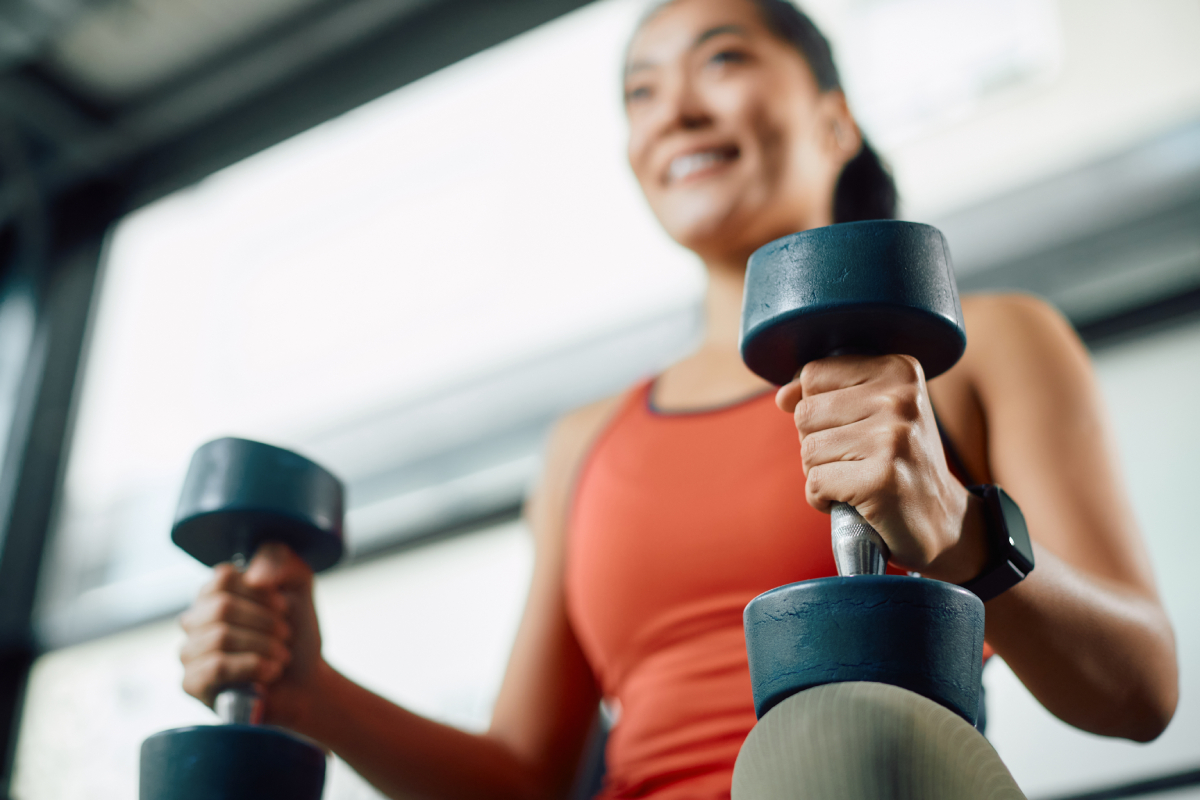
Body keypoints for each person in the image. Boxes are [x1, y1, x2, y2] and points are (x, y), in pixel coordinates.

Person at [178, 0, 1179, 797]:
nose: (676, 110)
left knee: (826, 748)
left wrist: (962, 532)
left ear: (835, 118)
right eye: (640, 91)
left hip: (873, 779)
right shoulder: (586, 443)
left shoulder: (981, 342)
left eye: (723, 60)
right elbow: (523, 777)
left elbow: (1141, 689)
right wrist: (314, 693)